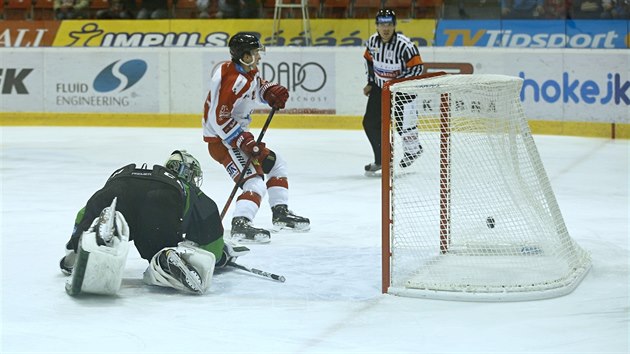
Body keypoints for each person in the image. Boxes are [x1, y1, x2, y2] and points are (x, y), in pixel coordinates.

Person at [59, 150, 249, 296]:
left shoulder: (142, 175)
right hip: (161, 202)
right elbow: (210, 232)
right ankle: (164, 259)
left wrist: (75, 239)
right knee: (157, 248)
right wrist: (219, 255)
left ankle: (84, 249)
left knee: (98, 221)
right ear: (188, 174)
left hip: (118, 184)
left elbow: (83, 213)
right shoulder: (183, 187)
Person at [202, 32, 310, 243]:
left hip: (236, 138)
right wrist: (243, 141)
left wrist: (269, 92)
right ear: (244, 55)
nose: (259, 56)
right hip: (223, 143)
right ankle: (240, 223)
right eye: (254, 53)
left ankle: (280, 213)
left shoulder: (244, 72)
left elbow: (255, 88)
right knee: (254, 183)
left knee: (277, 165)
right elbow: (219, 119)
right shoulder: (234, 80)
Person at [362, 9, 424, 177]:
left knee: (404, 124)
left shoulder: (405, 45)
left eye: (389, 24)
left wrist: (396, 84)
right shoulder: (372, 42)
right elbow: (369, 61)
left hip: (402, 90)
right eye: (382, 24)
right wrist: (370, 82)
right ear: (377, 26)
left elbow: (417, 68)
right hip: (380, 89)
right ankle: (381, 159)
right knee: (370, 123)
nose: (385, 28)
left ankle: (414, 150)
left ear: (395, 25)